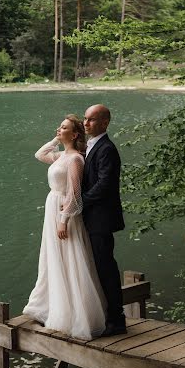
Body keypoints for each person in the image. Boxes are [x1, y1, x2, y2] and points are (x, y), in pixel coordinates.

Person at [23, 115, 107, 340]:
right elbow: (39, 154)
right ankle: (54, 305)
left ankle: (77, 313)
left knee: (70, 257)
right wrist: (56, 139)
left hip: (63, 213)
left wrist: (64, 220)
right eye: (59, 126)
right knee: (54, 257)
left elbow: (74, 193)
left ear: (75, 134)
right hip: (52, 208)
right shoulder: (60, 155)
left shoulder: (76, 160)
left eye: (64, 127)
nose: (59, 129)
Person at [82, 104, 126, 337]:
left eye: (91, 119)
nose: (86, 123)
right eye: (85, 119)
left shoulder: (107, 148)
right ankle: (103, 315)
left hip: (101, 220)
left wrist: (80, 201)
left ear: (105, 123)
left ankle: (117, 321)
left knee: (106, 268)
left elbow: (105, 185)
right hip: (91, 218)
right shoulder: (89, 146)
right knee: (97, 268)